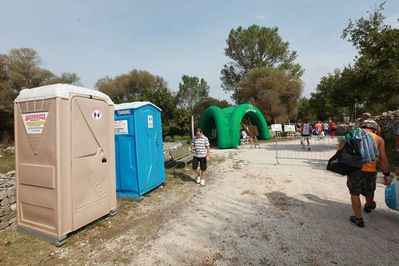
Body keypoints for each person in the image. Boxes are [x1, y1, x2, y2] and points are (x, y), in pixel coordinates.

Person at [345, 120, 390, 228]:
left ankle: (358, 219)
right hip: (370, 170)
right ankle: (369, 206)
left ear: (362, 126)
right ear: (374, 129)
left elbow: (342, 147)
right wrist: (387, 174)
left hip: (354, 168)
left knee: (354, 193)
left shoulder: (352, 135)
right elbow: (383, 157)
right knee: (369, 190)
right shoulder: (379, 139)